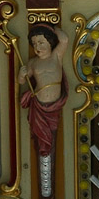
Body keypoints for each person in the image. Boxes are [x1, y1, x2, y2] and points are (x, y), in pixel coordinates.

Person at [17, 24, 70, 160]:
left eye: (41, 43)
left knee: (52, 133)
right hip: (38, 105)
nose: (37, 47)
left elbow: (64, 40)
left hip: (54, 105)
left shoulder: (56, 56)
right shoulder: (33, 63)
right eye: (34, 44)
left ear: (50, 42)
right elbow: (22, 82)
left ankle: (49, 159)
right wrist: (21, 75)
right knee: (40, 135)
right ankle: (43, 155)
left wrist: (51, 27)